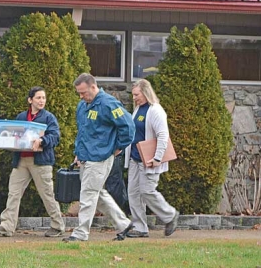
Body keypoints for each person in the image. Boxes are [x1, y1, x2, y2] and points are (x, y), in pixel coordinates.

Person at [63, 73, 135, 242]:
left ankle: (81, 233)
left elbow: (128, 126)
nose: (81, 96)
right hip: (86, 156)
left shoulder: (108, 103)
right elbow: (83, 132)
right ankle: (124, 224)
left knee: (88, 194)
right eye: (79, 93)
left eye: (83, 92)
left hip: (100, 157)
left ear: (93, 87)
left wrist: (118, 147)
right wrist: (78, 154)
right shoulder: (83, 105)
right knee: (98, 193)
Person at [0, 86, 65, 238]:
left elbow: (55, 137)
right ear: (30, 100)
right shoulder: (21, 117)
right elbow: (14, 135)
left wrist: (42, 140)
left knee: (47, 194)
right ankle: (7, 226)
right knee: (13, 193)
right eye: (38, 98)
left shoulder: (49, 118)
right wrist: (3, 131)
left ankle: (58, 226)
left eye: (43, 98)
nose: (42, 101)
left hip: (41, 162)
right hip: (21, 161)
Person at [124, 79, 179, 238]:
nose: (134, 98)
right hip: (135, 158)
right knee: (133, 193)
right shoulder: (138, 109)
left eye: (137, 94)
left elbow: (163, 136)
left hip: (149, 160)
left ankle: (170, 215)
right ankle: (140, 228)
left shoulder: (156, 110)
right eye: (133, 95)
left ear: (146, 92)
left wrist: (157, 158)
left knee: (147, 191)